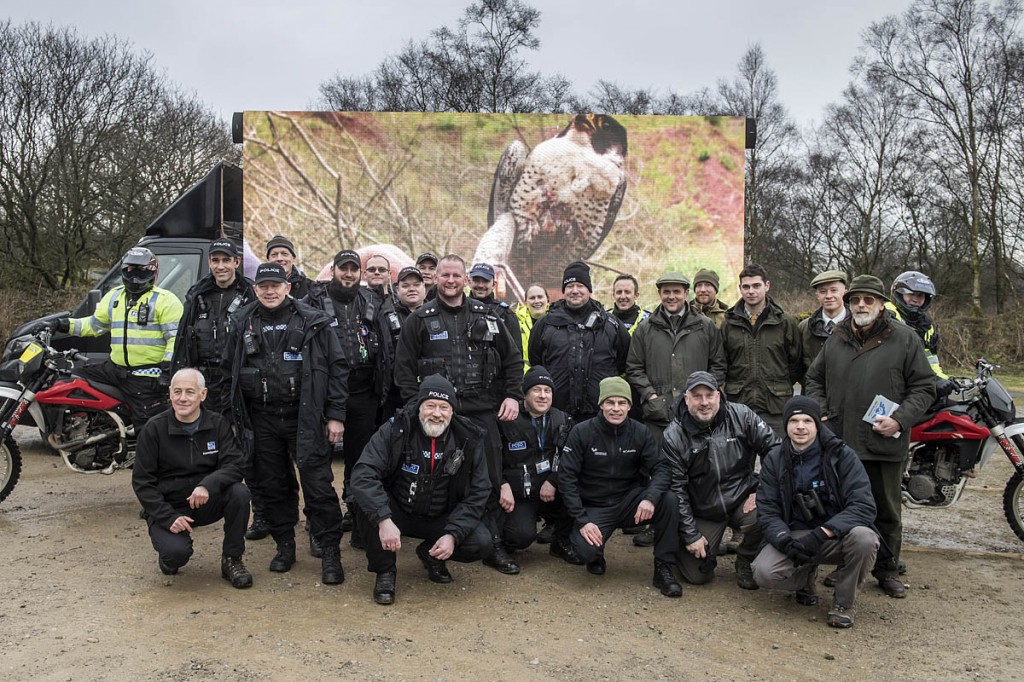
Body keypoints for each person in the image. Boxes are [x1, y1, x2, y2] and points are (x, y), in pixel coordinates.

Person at [805, 275, 936, 598]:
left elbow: (924, 387)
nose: (861, 305)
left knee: (886, 510)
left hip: (883, 441)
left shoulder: (904, 338)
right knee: (842, 506)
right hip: (841, 441)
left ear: (881, 304)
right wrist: (822, 411)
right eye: (855, 300)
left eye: (868, 300)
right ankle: (846, 564)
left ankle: (887, 570)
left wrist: (899, 420)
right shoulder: (837, 338)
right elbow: (814, 379)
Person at [393, 254, 525, 575]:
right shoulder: (419, 319)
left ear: (465, 280)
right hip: (439, 416)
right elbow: (404, 371)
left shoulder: (488, 316)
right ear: (435, 278)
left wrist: (513, 396)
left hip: (481, 411)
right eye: (445, 275)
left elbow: (512, 359)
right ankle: (437, 549)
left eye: (456, 276)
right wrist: (417, 409)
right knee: (441, 479)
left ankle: (493, 543)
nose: (450, 281)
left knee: (489, 478)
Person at [225, 262, 348, 585]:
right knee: (273, 486)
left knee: (318, 486)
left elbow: (338, 369)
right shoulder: (241, 322)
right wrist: (232, 418)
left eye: (275, 286)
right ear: (255, 289)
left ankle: (330, 551)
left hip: (305, 417)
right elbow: (227, 372)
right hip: (261, 419)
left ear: (288, 287)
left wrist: (336, 415)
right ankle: (285, 545)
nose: (269, 291)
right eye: (263, 286)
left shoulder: (313, 321)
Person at [350, 375, 494, 605]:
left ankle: (431, 555)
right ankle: (385, 571)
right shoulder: (396, 429)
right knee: (364, 503)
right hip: (398, 511)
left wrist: (452, 534)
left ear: (452, 411)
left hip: (440, 516)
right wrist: (383, 520)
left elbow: (479, 491)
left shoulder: (469, 438)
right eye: (430, 406)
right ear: (419, 407)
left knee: (481, 541)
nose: (437, 413)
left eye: (444, 407)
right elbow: (363, 474)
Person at [752, 396, 879, 628]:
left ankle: (844, 603)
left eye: (807, 421)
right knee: (763, 572)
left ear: (817, 424)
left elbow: (864, 506)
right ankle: (805, 579)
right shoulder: (774, 459)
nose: (800, 427)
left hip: (835, 535)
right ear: (786, 425)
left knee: (865, 539)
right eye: (794, 421)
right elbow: (767, 509)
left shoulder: (841, 455)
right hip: (795, 535)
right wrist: (784, 541)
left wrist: (823, 532)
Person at [557, 377, 682, 597]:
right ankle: (596, 554)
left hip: (630, 503)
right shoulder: (581, 432)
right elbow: (566, 478)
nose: (616, 408)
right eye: (610, 402)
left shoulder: (640, 432)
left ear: (629, 406)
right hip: (595, 506)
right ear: (601, 405)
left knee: (669, 500)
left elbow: (661, 467)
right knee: (585, 551)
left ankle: (664, 567)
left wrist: (650, 497)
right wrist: (583, 520)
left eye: (622, 403)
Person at [132, 368, 253, 588]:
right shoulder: (153, 429)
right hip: (169, 507)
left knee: (239, 493)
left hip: (204, 501)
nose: (183, 398)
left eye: (190, 392)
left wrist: (207, 485)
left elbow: (236, 465)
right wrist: (167, 517)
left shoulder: (217, 424)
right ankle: (169, 556)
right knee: (176, 554)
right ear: (170, 393)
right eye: (177, 391)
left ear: (203, 394)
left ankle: (232, 559)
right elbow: (142, 482)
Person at [305, 249, 392, 553]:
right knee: (318, 462)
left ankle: (357, 519)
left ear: (360, 273)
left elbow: (386, 346)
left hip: (364, 392)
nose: (349, 274)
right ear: (333, 270)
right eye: (344, 268)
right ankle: (320, 523)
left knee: (361, 462)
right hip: (324, 392)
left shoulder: (373, 302)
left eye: (354, 268)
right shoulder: (314, 302)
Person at [662, 371, 779, 589]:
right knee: (697, 575)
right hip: (703, 509)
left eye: (709, 395)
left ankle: (746, 558)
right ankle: (698, 546)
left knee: (768, 510)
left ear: (718, 396)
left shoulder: (742, 415)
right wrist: (691, 535)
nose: (704, 402)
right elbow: (676, 489)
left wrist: (763, 489)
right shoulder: (673, 435)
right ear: (686, 399)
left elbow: (776, 450)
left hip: (742, 497)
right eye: (697, 396)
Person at [56, 246, 183, 429]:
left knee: (147, 430)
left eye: (141, 270)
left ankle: (140, 445)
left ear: (153, 272)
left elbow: (175, 339)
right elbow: (94, 325)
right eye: (130, 269)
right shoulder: (115, 296)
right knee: (72, 381)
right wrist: (64, 325)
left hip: (145, 375)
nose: (135, 275)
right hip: (114, 369)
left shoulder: (166, 300)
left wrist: (167, 370)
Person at [626, 271, 727, 445]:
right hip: (658, 415)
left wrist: (701, 395)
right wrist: (651, 395)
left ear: (686, 293)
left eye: (676, 292)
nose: (671, 297)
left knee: (698, 460)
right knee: (659, 460)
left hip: (697, 415)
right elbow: (634, 367)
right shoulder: (644, 329)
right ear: (659, 294)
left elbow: (719, 366)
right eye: (666, 292)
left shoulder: (706, 326)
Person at [528, 261, 631, 423]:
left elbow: (624, 362)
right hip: (557, 414)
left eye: (580, 286)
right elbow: (536, 361)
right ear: (564, 290)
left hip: (599, 415)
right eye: (570, 286)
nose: (575, 290)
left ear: (589, 289)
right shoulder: (545, 324)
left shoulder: (611, 325)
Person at [496, 366, 577, 563]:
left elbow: (572, 458)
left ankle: (560, 541)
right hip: (519, 494)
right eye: (536, 390)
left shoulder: (563, 419)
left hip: (551, 490)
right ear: (525, 394)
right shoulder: (506, 419)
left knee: (582, 489)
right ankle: (499, 542)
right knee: (521, 536)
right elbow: (491, 460)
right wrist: (501, 483)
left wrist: (554, 480)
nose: (543, 396)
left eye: (547, 391)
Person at [172, 239, 255, 415]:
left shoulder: (250, 295)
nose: (220, 266)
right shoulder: (197, 295)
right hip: (203, 381)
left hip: (236, 381)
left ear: (237, 262)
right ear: (209, 262)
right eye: (215, 260)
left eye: (226, 260)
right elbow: (182, 340)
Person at [721, 263, 802, 435]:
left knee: (776, 452)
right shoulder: (729, 323)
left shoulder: (785, 322)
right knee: (739, 453)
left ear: (767, 286)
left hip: (775, 408)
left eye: (756, 286)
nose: (751, 291)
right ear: (740, 289)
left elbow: (796, 362)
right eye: (746, 287)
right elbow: (723, 362)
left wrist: (777, 386)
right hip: (739, 407)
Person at [887, 271, 947, 378]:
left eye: (920, 295)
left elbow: (930, 361)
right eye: (911, 294)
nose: (915, 299)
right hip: (888, 377)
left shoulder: (926, 326)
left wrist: (941, 379)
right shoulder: (886, 315)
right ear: (899, 294)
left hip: (914, 379)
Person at [799, 270, 848, 379]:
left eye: (834, 290)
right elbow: (796, 367)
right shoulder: (805, 328)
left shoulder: (858, 326)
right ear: (817, 295)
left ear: (844, 293)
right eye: (823, 291)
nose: (828, 296)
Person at [469, 261, 522, 353]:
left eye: (485, 281)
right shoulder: (459, 310)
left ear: (494, 284)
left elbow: (516, 353)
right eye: (476, 280)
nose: (480, 285)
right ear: (469, 282)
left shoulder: (505, 313)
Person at [515, 283, 549, 369]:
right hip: (523, 375)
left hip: (552, 375)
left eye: (540, 297)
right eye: (532, 298)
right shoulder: (515, 322)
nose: (536, 301)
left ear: (547, 299)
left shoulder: (558, 321)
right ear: (525, 302)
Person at [266, 235, 309, 300]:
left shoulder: (308, 287)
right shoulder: (260, 287)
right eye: (274, 254)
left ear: (293, 258)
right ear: (268, 260)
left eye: (284, 254)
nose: (279, 258)